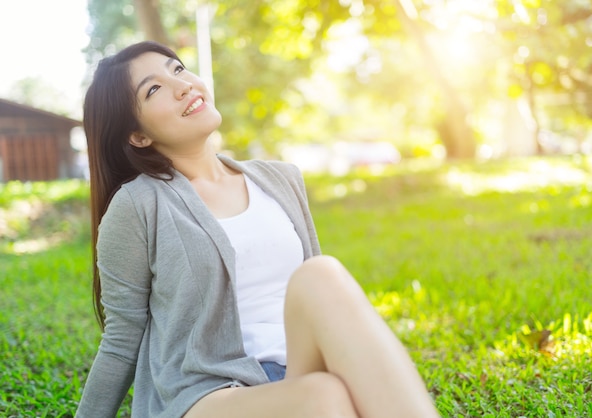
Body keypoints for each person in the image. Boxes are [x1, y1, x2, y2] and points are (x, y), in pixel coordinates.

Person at [75, 40, 439, 418]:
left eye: (178, 70)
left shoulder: (281, 179)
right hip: (208, 394)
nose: (181, 85)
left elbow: (319, 309)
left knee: (320, 274)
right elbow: (121, 339)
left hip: (299, 373)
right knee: (323, 397)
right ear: (138, 135)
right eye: (154, 89)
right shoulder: (138, 204)